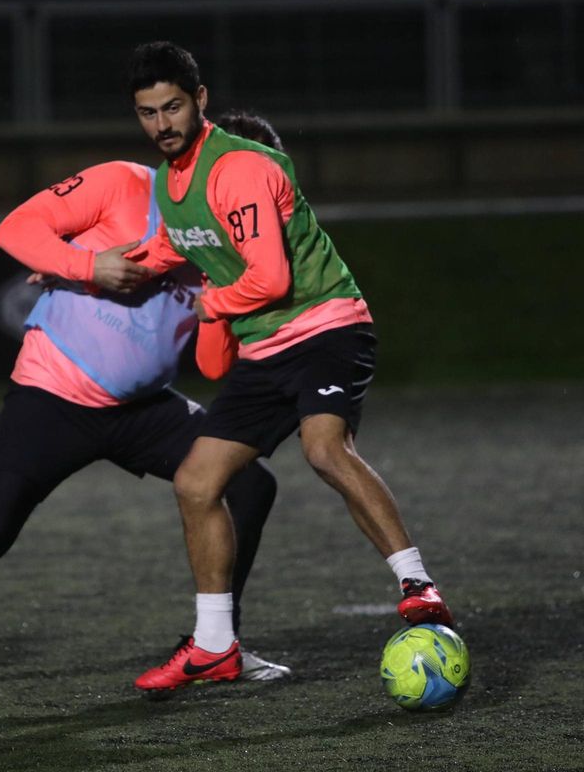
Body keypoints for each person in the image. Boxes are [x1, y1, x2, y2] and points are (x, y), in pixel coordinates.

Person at [0, 119, 297, 703]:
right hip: (53, 396)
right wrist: (83, 264)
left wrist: (222, 295)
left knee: (251, 486)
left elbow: (211, 365)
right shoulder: (124, 183)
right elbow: (17, 229)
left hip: (142, 409)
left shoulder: (234, 248)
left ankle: (216, 643)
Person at [111, 41, 454, 693]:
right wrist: (83, 271)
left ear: (200, 101)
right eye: (148, 113)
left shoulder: (239, 168)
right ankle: (214, 646)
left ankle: (417, 586)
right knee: (194, 482)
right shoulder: (168, 181)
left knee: (324, 449)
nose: (162, 124)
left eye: (174, 107)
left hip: (327, 325)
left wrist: (207, 304)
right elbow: (162, 248)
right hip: (266, 348)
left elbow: (267, 279)